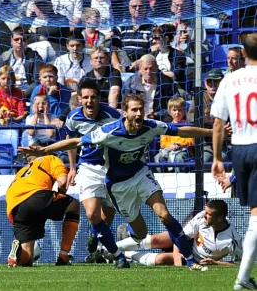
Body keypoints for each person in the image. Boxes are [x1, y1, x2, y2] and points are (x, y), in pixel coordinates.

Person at [20, 94, 230, 271]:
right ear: (125, 112)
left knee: (164, 214)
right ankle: (115, 245)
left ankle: (190, 260)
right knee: (141, 234)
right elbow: (75, 141)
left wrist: (214, 133)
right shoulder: (109, 132)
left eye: (141, 110)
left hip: (141, 175)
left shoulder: (151, 126)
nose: (139, 114)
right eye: (134, 110)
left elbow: (183, 130)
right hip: (118, 186)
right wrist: (44, 150)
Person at [20, 79, 129, 268]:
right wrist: (72, 168)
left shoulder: (113, 116)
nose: (89, 101)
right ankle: (119, 257)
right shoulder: (73, 117)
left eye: (93, 97)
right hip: (88, 167)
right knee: (92, 214)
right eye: (85, 97)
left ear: (99, 98)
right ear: (79, 99)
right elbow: (70, 141)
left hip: (111, 169)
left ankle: (96, 234)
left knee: (106, 217)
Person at [211, 33, 257, 290]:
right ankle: (242, 278)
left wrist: (217, 157)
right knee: (256, 216)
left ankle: (244, 278)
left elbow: (218, 122)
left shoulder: (229, 79)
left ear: (243, 54)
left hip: (238, 150)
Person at [108, 200, 242, 267]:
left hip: (195, 260)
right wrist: (178, 256)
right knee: (157, 239)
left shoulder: (232, 240)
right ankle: (108, 248)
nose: (204, 215)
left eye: (208, 214)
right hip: (184, 244)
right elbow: (180, 237)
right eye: (205, 211)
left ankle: (123, 255)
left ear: (220, 218)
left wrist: (215, 263)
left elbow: (239, 263)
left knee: (161, 259)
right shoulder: (201, 218)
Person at [6, 154, 80, 267]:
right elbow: (63, 182)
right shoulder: (52, 158)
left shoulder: (23, 170)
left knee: (27, 261)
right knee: (74, 206)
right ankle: (63, 256)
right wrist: (59, 195)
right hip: (36, 195)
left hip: (14, 205)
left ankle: (18, 254)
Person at [0, 27, 44, 99]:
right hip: (8, 95)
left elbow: (37, 82)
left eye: (23, 40)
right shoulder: (3, 58)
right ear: (11, 41)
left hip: (29, 96)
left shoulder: (35, 58)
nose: (19, 42)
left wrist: (21, 96)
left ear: (28, 41)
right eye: (16, 39)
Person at [154, 97, 194, 173]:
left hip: (184, 150)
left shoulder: (188, 125)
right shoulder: (166, 126)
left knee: (179, 158)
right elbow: (163, 143)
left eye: (180, 110)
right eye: (174, 110)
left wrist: (179, 144)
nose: (177, 113)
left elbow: (191, 140)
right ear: (169, 112)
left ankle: (179, 178)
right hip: (169, 149)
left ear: (184, 110)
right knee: (158, 157)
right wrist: (169, 145)